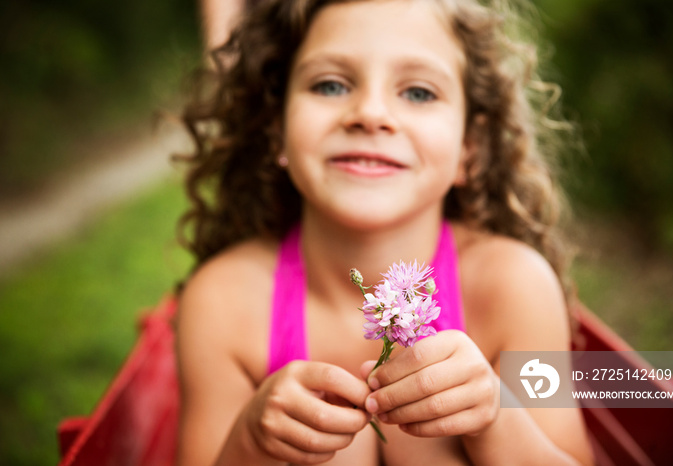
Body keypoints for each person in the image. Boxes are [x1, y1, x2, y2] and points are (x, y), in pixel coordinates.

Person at [175, 0, 593, 464]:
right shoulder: (222, 302)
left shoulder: (515, 286)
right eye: (330, 84)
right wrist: (251, 443)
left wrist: (497, 415)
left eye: (418, 92)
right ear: (277, 132)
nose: (370, 113)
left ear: (469, 149)